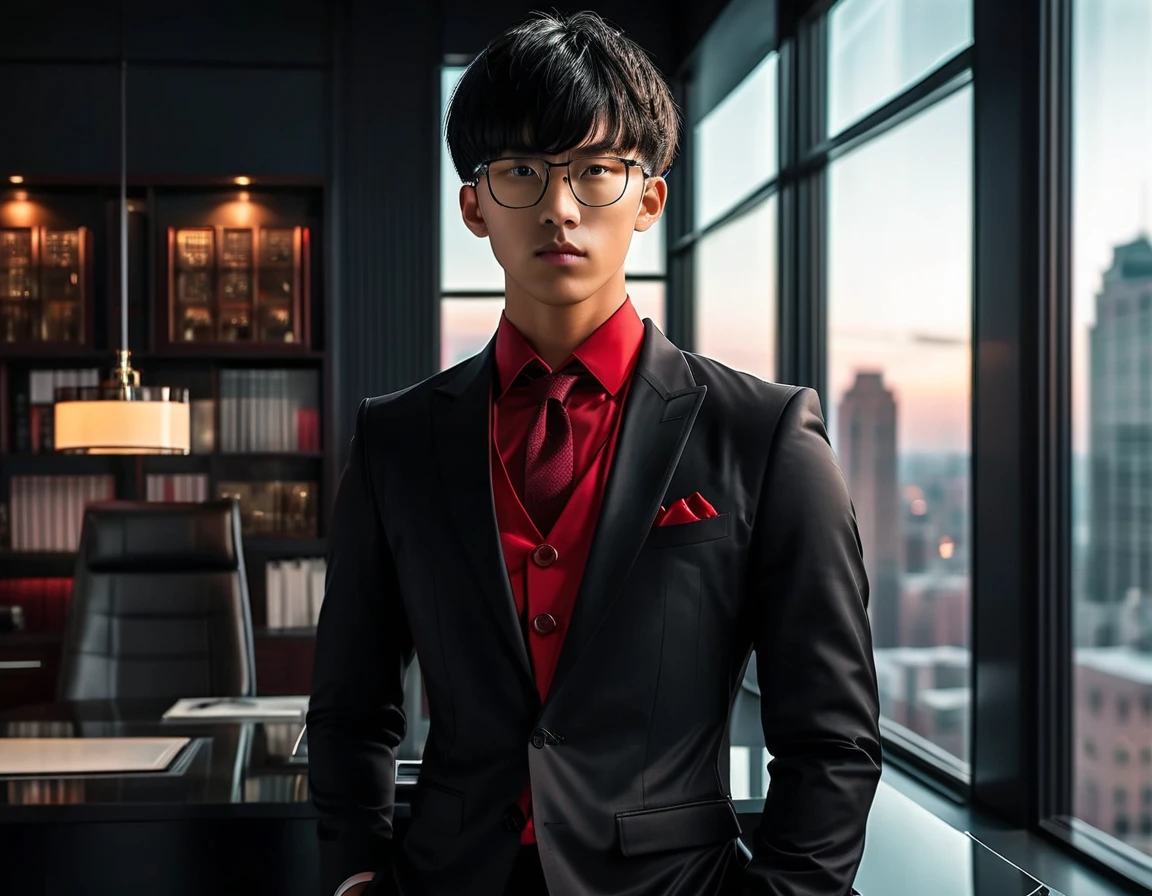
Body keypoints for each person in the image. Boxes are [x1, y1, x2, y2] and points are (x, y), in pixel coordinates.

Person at [307, 10, 881, 896]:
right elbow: (353, 704)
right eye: (523, 172)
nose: (560, 207)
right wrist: (353, 874)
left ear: (649, 198)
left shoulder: (764, 435)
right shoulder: (396, 439)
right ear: (474, 205)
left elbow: (831, 735)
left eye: (596, 171)